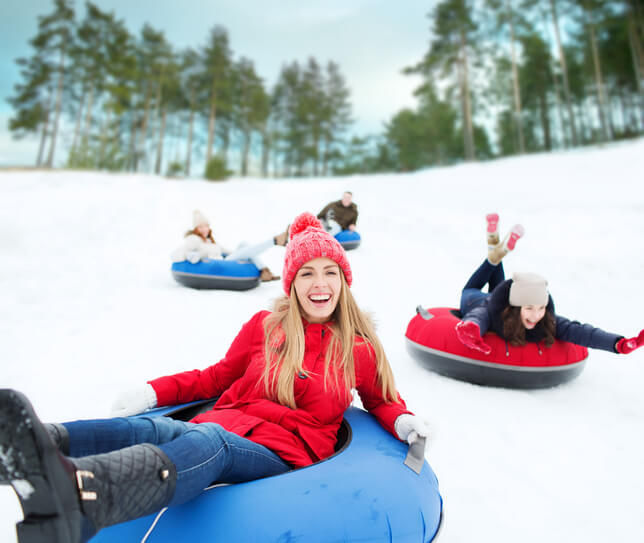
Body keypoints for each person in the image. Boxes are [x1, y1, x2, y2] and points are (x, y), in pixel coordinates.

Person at [0, 212, 429, 543]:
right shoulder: (266, 326)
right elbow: (215, 378)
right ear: (293, 282)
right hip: (228, 420)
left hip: (285, 451)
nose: (320, 284)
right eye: (307, 273)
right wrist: (154, 391)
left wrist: (403, 421)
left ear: (343, 280)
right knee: (154, 428)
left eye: (329, 272)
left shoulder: (358, 348)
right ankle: (34, 443)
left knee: (210, 444)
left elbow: (380, 400)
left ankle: (85, 497)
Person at [454, 213, 644, 356]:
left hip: (501, 296)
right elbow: (477, 317)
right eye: (529, 308)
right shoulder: (489, 312)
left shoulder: (544, 320)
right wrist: (471, 328)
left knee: (495, 268)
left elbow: (580, 331)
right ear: (515, 307)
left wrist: (619, 344)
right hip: (473, 299)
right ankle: (494, 253)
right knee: (473, 287)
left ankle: (494, 248)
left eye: (541, 308)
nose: (536, 315)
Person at [171, 209, 287, 282]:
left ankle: (264, 271)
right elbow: (179, 253)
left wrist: (244, 253)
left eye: (206, 226)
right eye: (200, 227)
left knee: (244, 245)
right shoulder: (193, 239)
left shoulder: (210, 241)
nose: (204, 229)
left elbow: (226, 251)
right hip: (219, 264)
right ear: (196, 229)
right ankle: (274, 241)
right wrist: (191, 255)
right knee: (245, 251)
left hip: (224, 260)